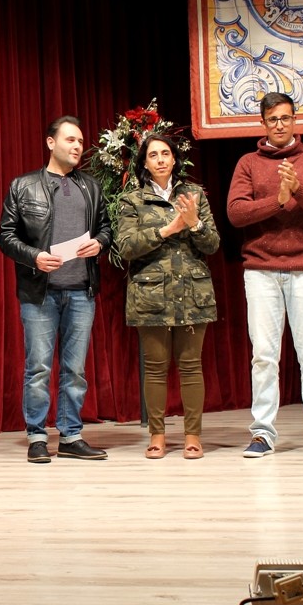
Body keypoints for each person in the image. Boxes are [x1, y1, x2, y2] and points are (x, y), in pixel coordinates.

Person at [227, 92, 303, 458]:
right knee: (263, 355)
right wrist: (277, 199)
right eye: (273, 119)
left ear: (295, 120)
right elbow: (236, 213)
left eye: (286, 118)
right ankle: (262, 433)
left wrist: (298, 189)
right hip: (261, 272)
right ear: (262, 123)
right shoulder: (248, 163)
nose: (280, 125)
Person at [0, 115, 111, 463]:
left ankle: (71, 435)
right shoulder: (24, 185)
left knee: (74, 369)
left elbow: (106, 227)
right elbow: (5, 236)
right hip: (40, 292)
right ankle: (36, 436)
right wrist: (34, 257)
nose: (77, 146)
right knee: (39, 368)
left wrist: (101, 243)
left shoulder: (90, 186)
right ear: (51, 143)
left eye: (80, 142)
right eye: (70, 140)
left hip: (81, 290)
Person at [115, 134, 220, 460]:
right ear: (144, 162)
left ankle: (193, 436)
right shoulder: (132, 200)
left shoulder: (194, 194)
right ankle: (157, 435)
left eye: (165, 154)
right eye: (153, 155)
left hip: (191, 291)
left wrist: (196, 224)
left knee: (191, 367)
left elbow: (212, 244)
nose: (160, 159)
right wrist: (167, 229)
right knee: (156, 368)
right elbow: (125, 247)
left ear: (174, 159)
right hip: (151, 295)